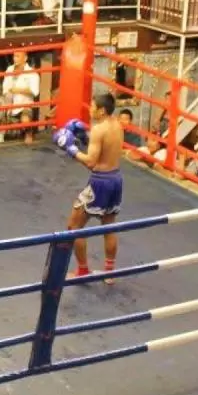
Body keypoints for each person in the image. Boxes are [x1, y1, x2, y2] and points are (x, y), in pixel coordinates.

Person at [58, 93, 124, 281]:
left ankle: (83, 270)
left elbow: (91, 162)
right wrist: (84, 138)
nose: (90, 109)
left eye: (93, 106)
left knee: (74, 227)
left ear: (102, 110)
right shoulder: (117, 125)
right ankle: (110, 273)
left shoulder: (99, 129)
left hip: (100, 181)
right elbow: (105, 149)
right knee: (109, 226)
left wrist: (70, 149)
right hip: (116, 179)